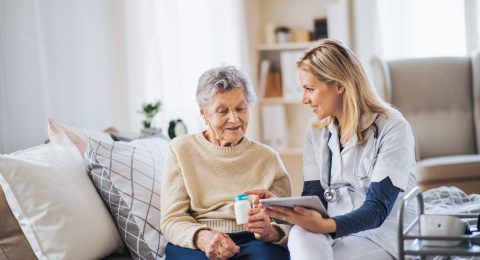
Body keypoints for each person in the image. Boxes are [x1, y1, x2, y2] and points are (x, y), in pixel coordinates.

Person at [248, 39, 417, 259]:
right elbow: (314, 198)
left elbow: (377, 210)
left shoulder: (393, 127)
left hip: (380, 233)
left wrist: (325, 225)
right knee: (299, 235)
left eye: (310, 89)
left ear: (339, 85)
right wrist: (281, 208)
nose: (304, 99)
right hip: (331, 229)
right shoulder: (316, 130)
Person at [160, 65, 291, 260]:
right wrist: (202, 238)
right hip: (199, 239)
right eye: (222, 111)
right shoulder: (180, 150)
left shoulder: (268, 158)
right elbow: (172, 219)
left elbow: (287, 222)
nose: (234, 118)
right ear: (203, 113)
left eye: (241, 108)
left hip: (253, 240)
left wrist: (271, 232)